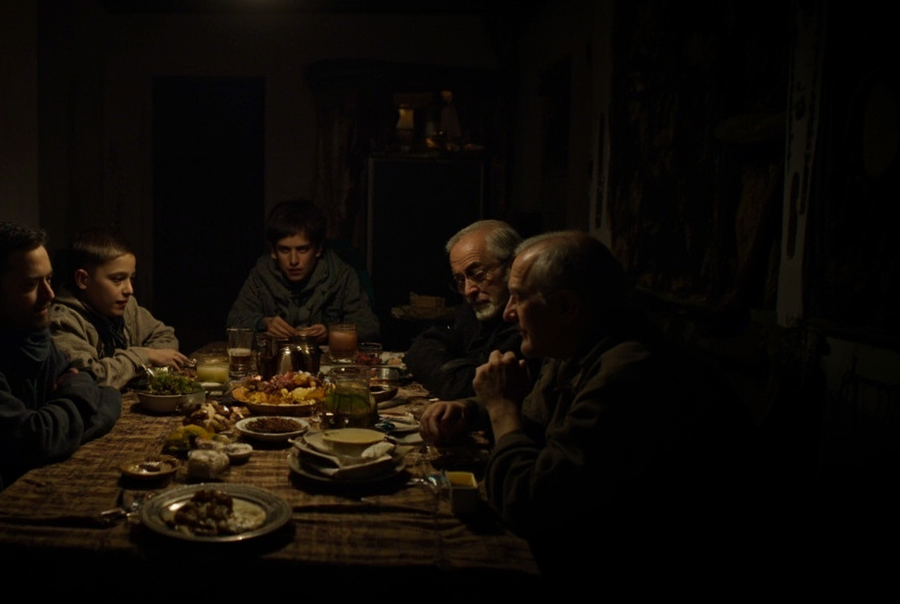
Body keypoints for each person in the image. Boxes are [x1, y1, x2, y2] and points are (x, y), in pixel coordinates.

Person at [420, 231, 758, 586]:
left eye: (518, 297)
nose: (507, 313)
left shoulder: (628, 373)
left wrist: (502, 408)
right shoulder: (575, 347)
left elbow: (529, 504)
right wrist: (471, 410)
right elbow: (533, 416)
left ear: (566, 307)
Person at [0, 221, 122, 485]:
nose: (49, 294)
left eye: (49, 279)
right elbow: (36, 440)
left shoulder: (31, 332)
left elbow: (101, 392)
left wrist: (70, 411)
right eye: (30, 285)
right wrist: (84, 393)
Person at [49, 228, 190, 388]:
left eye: (131, 278)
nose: (129, 289)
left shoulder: (127, 306)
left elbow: (166, 339)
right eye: (117, 279)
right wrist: (143, 357)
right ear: (83, 279)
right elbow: (89, 379)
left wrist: (128, 367)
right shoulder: (62, 322)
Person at [227, 199, 380, 343]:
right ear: (273, 251)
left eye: (302, 249)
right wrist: (264, 323)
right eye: (284, 250)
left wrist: (330, 331)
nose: (294, 261)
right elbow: (233, 323)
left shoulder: (342, 275)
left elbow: (369, 328)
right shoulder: (261, 275)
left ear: (318, 249)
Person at [404, 219, 523, 400]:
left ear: (511, 266)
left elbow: (466, 386)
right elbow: (420, 349)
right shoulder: (477, 305)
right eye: (460, 280)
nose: (468, 290)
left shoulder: (528, 321)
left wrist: (450, 370)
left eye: (478, 274)